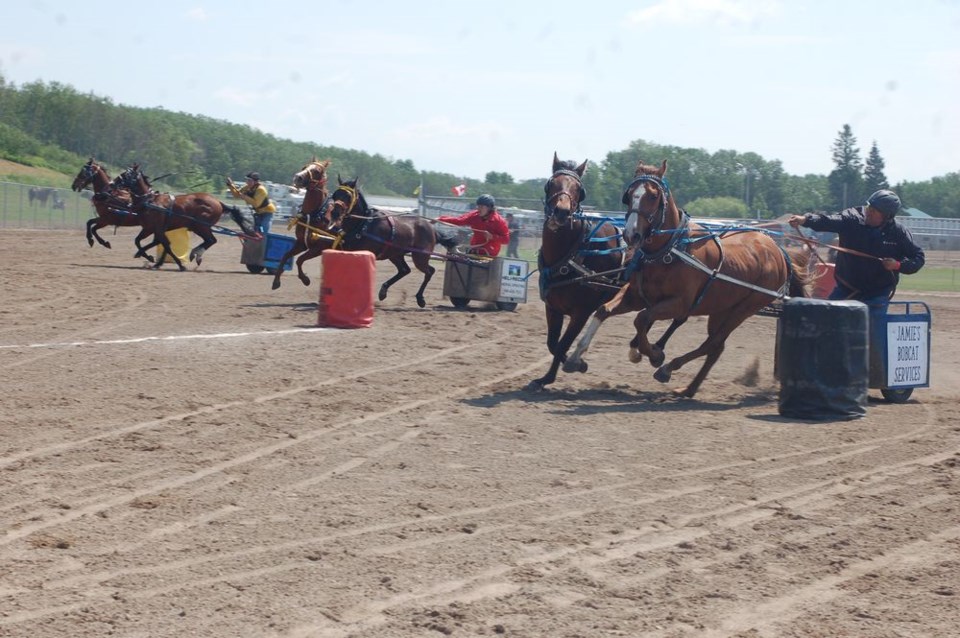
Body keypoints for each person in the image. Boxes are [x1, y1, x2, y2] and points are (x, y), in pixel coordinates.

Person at [788, 189, 925, 322]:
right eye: (868, 207)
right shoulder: (852, 218)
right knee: (827, 323)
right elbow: (829, 220)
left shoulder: (898, 233)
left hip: (877, 295)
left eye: (874, 211)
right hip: (845, 290)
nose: (868, 212)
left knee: (873, 334)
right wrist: (805, 220)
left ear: (887, 217)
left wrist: (897, 265)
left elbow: (918, 258)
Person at [437, 194, 510, 257]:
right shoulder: (474, 216)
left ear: (489, 208)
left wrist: (492, 236)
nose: (478, 209)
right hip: (473, 249)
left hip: (489, 253)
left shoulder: (499, 221)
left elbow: (506, 240)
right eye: (478, 206)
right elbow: (458, 220)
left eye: (481, 207)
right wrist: (439, 219)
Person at [227, 171, 277, 235]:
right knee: (256, 230)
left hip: (267, 212)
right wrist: (231, 185)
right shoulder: (247, 187)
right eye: (247, 180)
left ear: (256, 182)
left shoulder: (261, 190)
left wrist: (245, 197)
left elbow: (256, 204)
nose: (247, 182)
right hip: (258, 212)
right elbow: (237, 195)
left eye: (249, 180)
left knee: (264, 230)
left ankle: (264, 242)